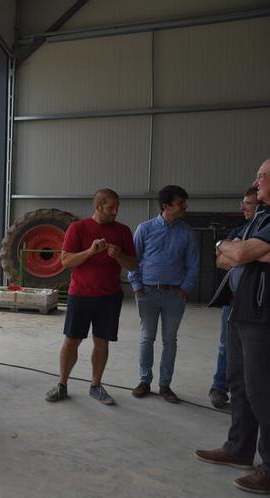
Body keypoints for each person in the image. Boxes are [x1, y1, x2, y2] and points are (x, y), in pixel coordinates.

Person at [196, 160, 270, 494]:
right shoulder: (260, 217)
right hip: (241, 310)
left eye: (261, 177)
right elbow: (228, 255)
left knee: (262, 389)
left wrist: (241, 252)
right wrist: (232, 249)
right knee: (238, 382)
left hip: (263, 314)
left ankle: (268, 467)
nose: (255, 183)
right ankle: (239, 448)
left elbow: (239, 253)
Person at [44, 189, 137, 405]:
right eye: (110, 207)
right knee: (72, 340)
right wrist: (89, 251)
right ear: (98, 207)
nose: (115, 211)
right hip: (81, 294)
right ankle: (62, 384)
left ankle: (96, 385)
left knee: (102, 341)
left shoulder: (123, 231)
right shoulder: (78, 228)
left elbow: (133, 264)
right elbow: (66, 261)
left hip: (109, 296)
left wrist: (119, 255)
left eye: (117, 207)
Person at [128, 185, 198, 403]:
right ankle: (144, 381)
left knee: (170, 340)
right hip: (147, 293)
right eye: (180, 203)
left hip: (173, 296)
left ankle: (165, 385)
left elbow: (193, 265)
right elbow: (133, 261)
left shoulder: (187, 232)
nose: (184, 206)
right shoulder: (145, 229)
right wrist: (137, 287)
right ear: (166, 206)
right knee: (147, 338)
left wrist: (184, 289)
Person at [209, 187, 259, 409]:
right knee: (226, 346)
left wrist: (238, 253)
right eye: (243, 202)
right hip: (233, 300)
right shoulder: (238, 230)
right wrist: (246, 256)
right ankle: (219, 387)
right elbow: (220, 260)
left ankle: (251, 393)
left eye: (248, 203)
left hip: (256, 303)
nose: (243, 207)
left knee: (253, 349)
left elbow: (234, 255)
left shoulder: (262, 231)